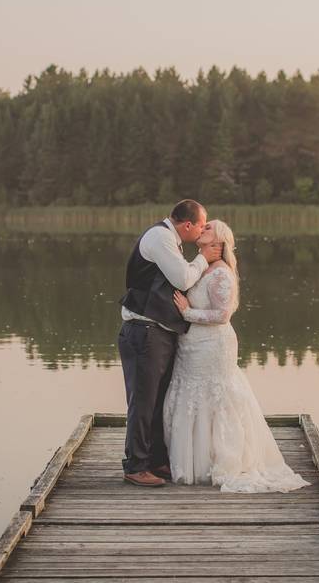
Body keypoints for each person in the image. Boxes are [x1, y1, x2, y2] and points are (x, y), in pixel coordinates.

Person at [165, 219, 310, 493]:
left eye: (207, 228)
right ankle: (192, 463)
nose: (201, 229)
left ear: (218, 241)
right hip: (192, 346)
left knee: (216, 396)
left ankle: (224, 460)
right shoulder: (203, 267)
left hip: (213, 345)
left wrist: (187, 313)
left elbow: (222, 315)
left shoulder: (221, 273)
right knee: (191, 395)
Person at [117, 200, 222, 487]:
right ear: (188, 225)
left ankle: (152, 460)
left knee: (157, 401)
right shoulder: (160, 237)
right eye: (201, 225)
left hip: (157, 332)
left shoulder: (169, 240)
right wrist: (203, 256)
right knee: (142, 401)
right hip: (143, 332)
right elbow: (183, 278)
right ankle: (136, 466)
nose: (202, 231)